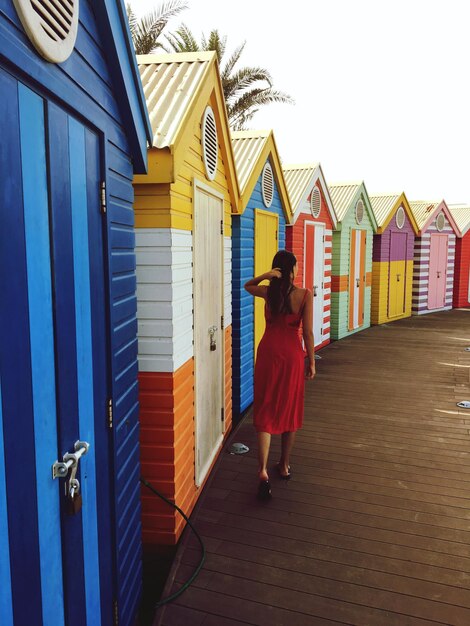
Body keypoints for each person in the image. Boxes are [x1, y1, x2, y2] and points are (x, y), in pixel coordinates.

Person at [244, 250, 315, 500]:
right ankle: (283, 465)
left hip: (267, 353)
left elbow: (248, 286)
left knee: (265, 406)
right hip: (292, 356)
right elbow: (307, 333)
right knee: (290, 406)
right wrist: (312, 362)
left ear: (277, 270)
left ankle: (262, 470)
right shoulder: (304, 295)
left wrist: (266, 275)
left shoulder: (268, 292)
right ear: (292, 270)